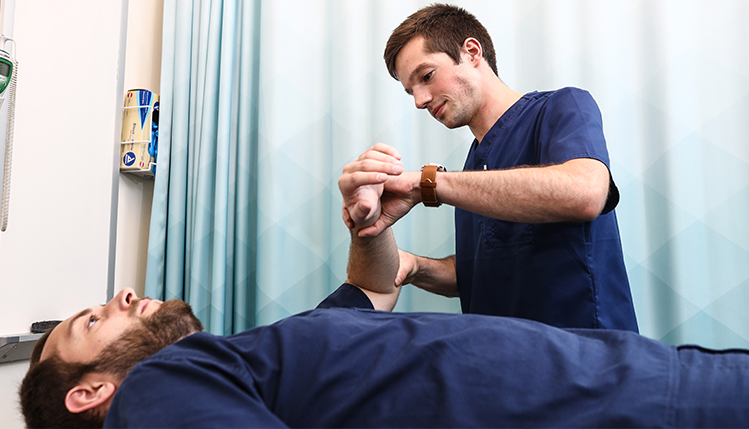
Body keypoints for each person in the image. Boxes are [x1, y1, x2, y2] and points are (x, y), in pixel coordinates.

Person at [18, 165, 749, 428]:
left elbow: (374, 284)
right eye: (94, 319)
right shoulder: (157, 385)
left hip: (637, 381)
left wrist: (369, 221)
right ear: (90, 394)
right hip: (618, 405)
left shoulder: (257, 366)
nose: (121, 292)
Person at [344, 3, 638, 331]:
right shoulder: (472, 170)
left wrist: (426, 185)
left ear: (471, 52)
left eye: (426, 76)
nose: (420, 100)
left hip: (588, 362)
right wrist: (414, 267)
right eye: (411, 91)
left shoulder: (562, 108)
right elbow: (482, 271)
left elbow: (585, 193)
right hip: (501, 365)